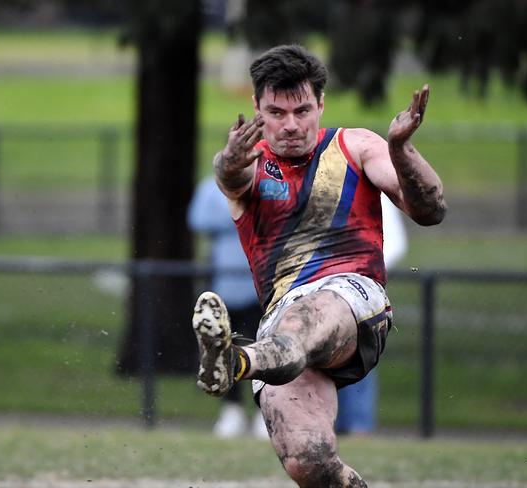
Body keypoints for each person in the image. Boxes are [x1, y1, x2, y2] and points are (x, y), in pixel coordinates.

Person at [192, 44, 446, 487]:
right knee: (308, 463)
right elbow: (229, 173)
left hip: (354, 299)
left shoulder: (357, 145)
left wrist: (402, 150)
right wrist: (229, 162)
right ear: (256, 107)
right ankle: (242, 361)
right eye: (276, 112)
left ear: (320, 104)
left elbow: (431, 209)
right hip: (282, 324)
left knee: (302, 322)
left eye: (302, 110)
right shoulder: (250, 165)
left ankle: (233, 361)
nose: (290, 124)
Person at [187, 175, 268, 438]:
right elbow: (197, 218)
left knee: (261, 347)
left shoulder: (267, 183)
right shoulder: (210, 187)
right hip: (225, 284)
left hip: (259, 286)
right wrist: (238, 212)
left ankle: (262, 412)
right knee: (223, 348)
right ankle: (231, 410)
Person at [335, 195, 408, 436]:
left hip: (361, 290)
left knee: (359, 354)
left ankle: (358, 425)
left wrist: (365, 273)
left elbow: (395, 243)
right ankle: (325, 425)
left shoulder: (371, 190)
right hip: (322, 288)